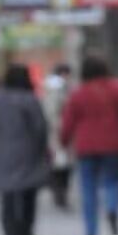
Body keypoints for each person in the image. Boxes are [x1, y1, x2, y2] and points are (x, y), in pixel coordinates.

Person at [60, 55, 118, 235]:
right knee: (113, 181)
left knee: (88, 188)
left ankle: (91, 231)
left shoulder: (78, 93)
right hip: (114, 144)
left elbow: (67, 122)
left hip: (86, 146)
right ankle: (112, 208)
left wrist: (63, 141)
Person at [0, 64, 50, 235]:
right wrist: (41, 148)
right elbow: (40, 127)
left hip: (1, 151)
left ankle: (10, 232)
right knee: (28, 193)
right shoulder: (30, 99)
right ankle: (25, 231)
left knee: (7, 195)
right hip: (28, 151)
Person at [42, 63, 73, 209]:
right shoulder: (58, 88)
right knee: (61, 165)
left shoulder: (50, 88)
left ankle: (59, 193)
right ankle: (60, 193)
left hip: (57, 132)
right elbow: (53, 112)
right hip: (59, 131)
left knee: (59, 164)